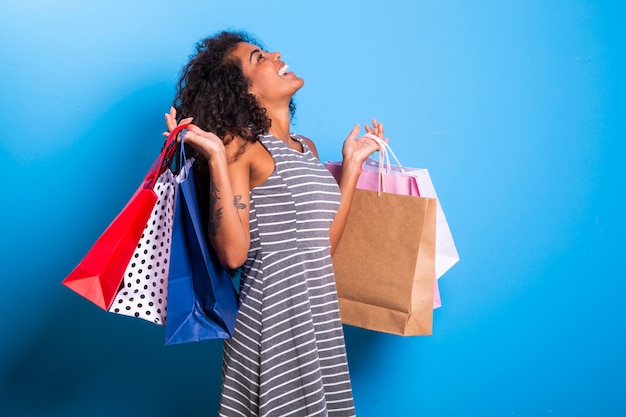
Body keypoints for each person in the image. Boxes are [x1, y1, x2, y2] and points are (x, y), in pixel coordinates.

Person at [165, 30, 385, 417]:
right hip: (273, 320)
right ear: (244, 90)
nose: (276, 55)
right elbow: (233, 256)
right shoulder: (240, 145)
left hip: (317, 317)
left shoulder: (306, 147)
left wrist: (351, 166)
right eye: (258, 57)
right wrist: (217, 158)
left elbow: (323, 248)